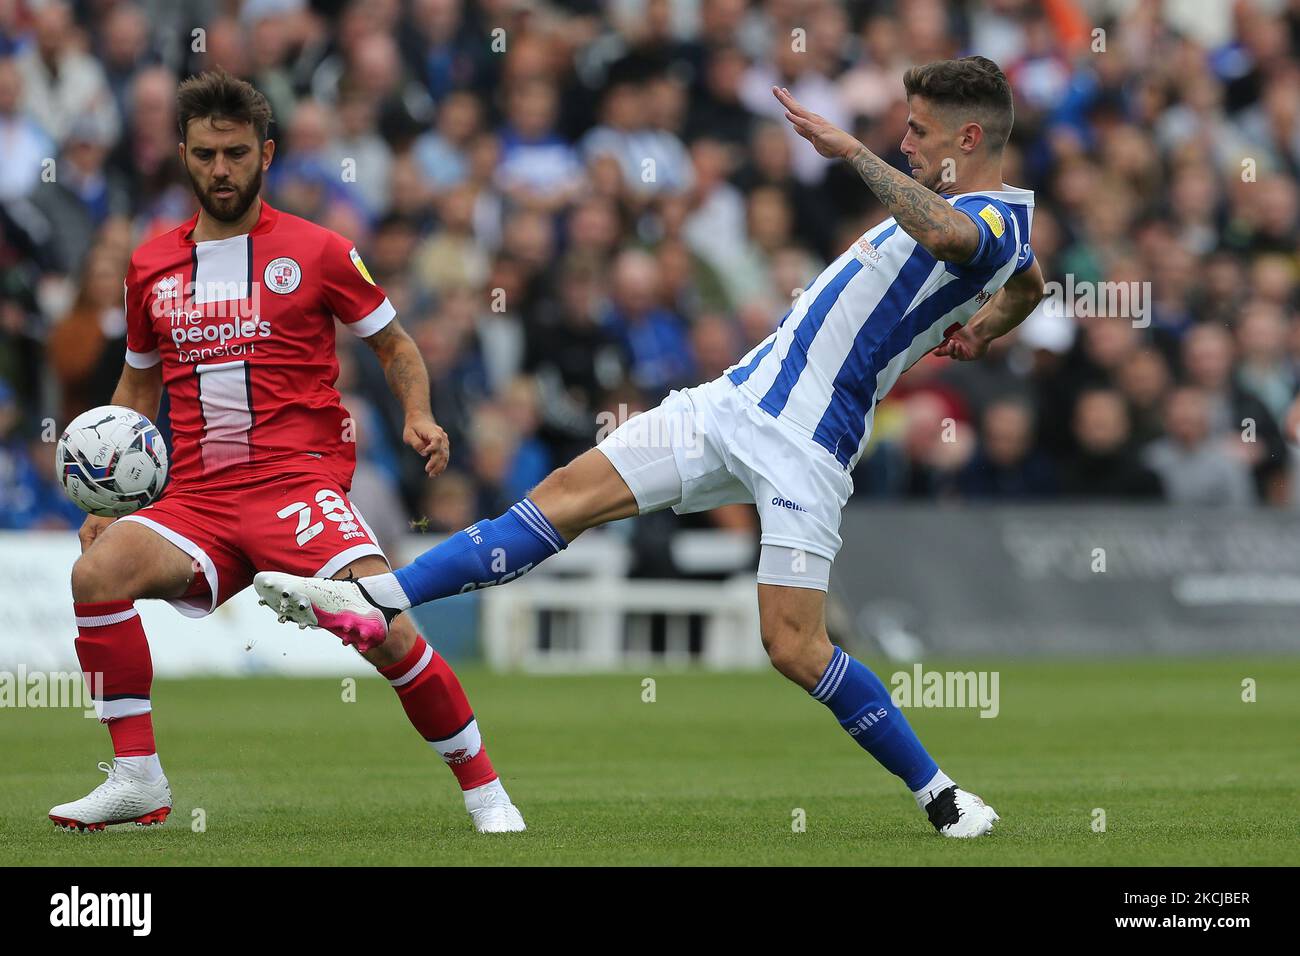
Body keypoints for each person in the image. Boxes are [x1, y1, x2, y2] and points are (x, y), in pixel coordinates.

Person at [256, 57, 1046, 838]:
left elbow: (967, 245)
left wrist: (851, 152)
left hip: (809, 443)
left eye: (919, 131)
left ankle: (943, 797)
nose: (905, 142)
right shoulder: (981, 225)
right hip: (731, 399)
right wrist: (980, 331)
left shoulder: (994, 223)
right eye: (902, 130)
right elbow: (1027, 290)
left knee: (793, 646)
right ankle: (378, 599)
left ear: (969, 136)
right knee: (564, 496)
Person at [50, 70, 524, 835]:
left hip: (294, 486)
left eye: (236, 152)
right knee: (95, 576)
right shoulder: (149, 268)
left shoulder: (320, 250)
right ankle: (136, 778)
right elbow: (136, 392)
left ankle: (485, 790)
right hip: (197, 499)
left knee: (384, 626)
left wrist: (419, 413)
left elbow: (395, 344)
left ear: (266, 154)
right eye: (205, 154)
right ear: (183, 155)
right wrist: (107, 506)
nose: (221, 170)